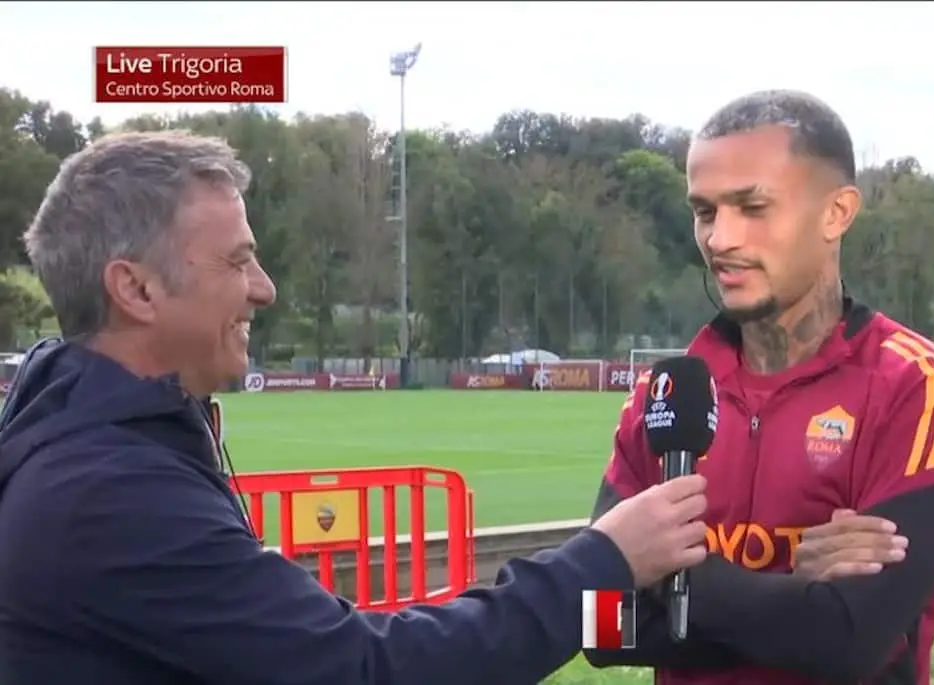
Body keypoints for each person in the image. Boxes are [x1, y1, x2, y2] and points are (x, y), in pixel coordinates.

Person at [0, 130, 710, 685]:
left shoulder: (92, 444)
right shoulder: (106, 494)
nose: (265, 288)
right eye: (236, 261)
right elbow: (370, 671)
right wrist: (603, 563)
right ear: (136, 289)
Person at [584, 90, 934, 685]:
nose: (720, 238)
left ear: (837, 213)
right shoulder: (666, 392)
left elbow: (852, 641)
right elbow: (600, 627)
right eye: (705, 212)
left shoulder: (921, 385)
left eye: (753, 207)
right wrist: (793, 591)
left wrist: (661, 578)